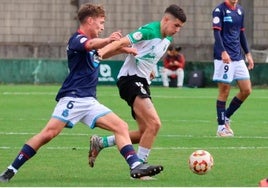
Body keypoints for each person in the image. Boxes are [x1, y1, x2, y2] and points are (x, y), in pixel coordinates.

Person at [0, 3, 163, 182]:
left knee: (121, 127)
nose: (102, 27)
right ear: (90, 21)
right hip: (73, 98)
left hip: (89, 101)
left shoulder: (92, 47)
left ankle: (135, 166)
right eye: (100, 23)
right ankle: (10, 170)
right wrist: (110, 40)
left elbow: (100, 53)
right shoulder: (77, 40)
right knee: (48, 134)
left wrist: (123, 49)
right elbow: (92, 44)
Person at [88, 4, 186, 169]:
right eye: (176, 25)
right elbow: (121, 43)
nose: (177, 30)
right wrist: (100, 54)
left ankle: (101, 142)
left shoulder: (168, 39)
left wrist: (150, 69)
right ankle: (140, 167)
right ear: (166, 19)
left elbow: (146, 54)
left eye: (180, 27)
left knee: (144, 133)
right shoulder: (149, 31)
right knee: (154, 124)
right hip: (130, 80)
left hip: (142, 81)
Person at [212, 0, 254, 137]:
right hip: (223, 57)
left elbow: (241, 34)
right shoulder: (219, 10)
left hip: (238, 57)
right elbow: (217, 33)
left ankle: (227, 117)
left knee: (246, 90)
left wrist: (247, 53)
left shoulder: (240, 10)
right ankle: (221, 128)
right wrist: (223, 51)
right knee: (224, 91)